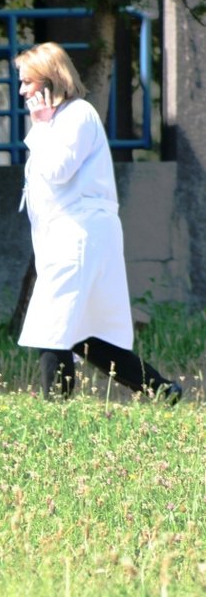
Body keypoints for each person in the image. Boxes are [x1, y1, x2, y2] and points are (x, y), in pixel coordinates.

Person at [14, 42, 182, 403]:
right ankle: (162, 391)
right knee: (81, 334)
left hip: (79, 235)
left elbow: (58, 172)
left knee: (52, 325)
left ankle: (55, 412)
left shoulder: (77, 116)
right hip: (69, 235)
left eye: (28, 81)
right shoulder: (58, 121)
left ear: (50, 80)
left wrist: (41, 129)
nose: (22, 91)